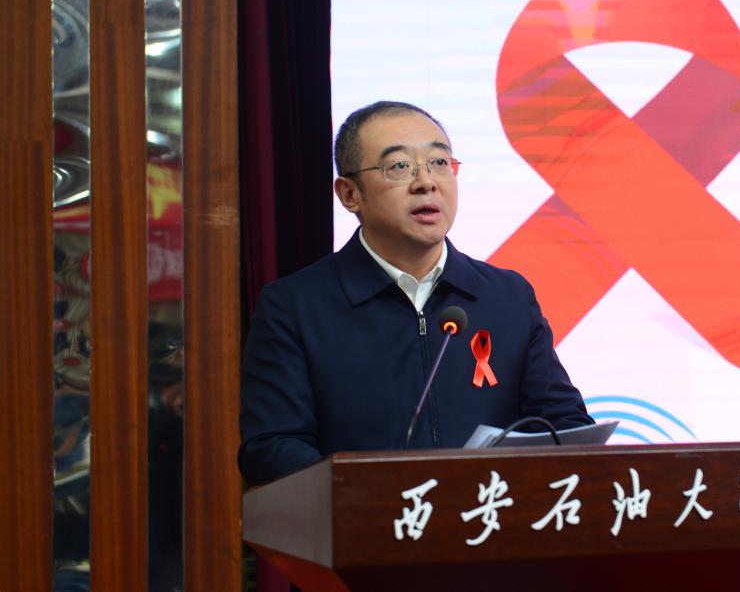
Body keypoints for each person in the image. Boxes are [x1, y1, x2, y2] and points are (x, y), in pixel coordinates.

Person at [238, 100, 592, 485]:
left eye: (439, 162)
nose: (426, 182)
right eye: (399, 166)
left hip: (489, 515)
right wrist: (372, 495)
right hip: (369, 519)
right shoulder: (295, 307)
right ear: (349, 194)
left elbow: (564, 424)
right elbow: (272, 448)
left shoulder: (508, 297)